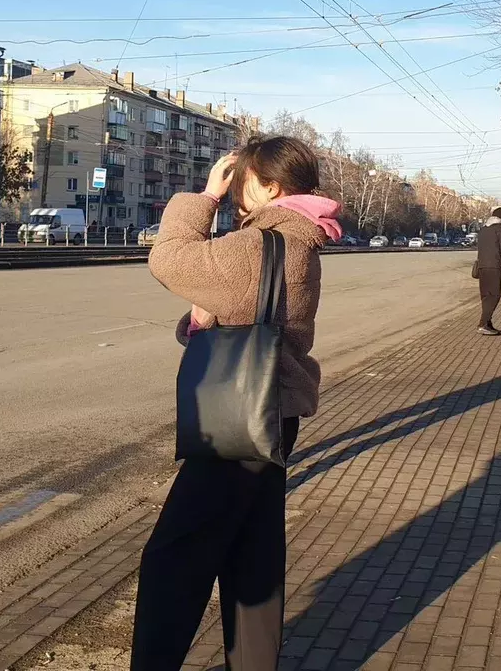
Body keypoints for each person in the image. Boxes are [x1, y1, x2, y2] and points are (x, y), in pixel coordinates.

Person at [131, 136, 342, 670]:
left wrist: (205, 196)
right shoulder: (296, 239)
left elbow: (169, 259)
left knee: (173, 557)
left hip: (238, 419)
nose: (236, 192)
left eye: (244, 180)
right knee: (253, 557)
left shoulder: (260, 245)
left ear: (269, 186)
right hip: (275, 410)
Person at [476, 207, 501, 336]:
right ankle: (483, 323)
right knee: (494, 295)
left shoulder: (483, 230)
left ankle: (488, 323)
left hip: (482, 266)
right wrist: (500, 261)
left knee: (485, 295)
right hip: (494, 266)